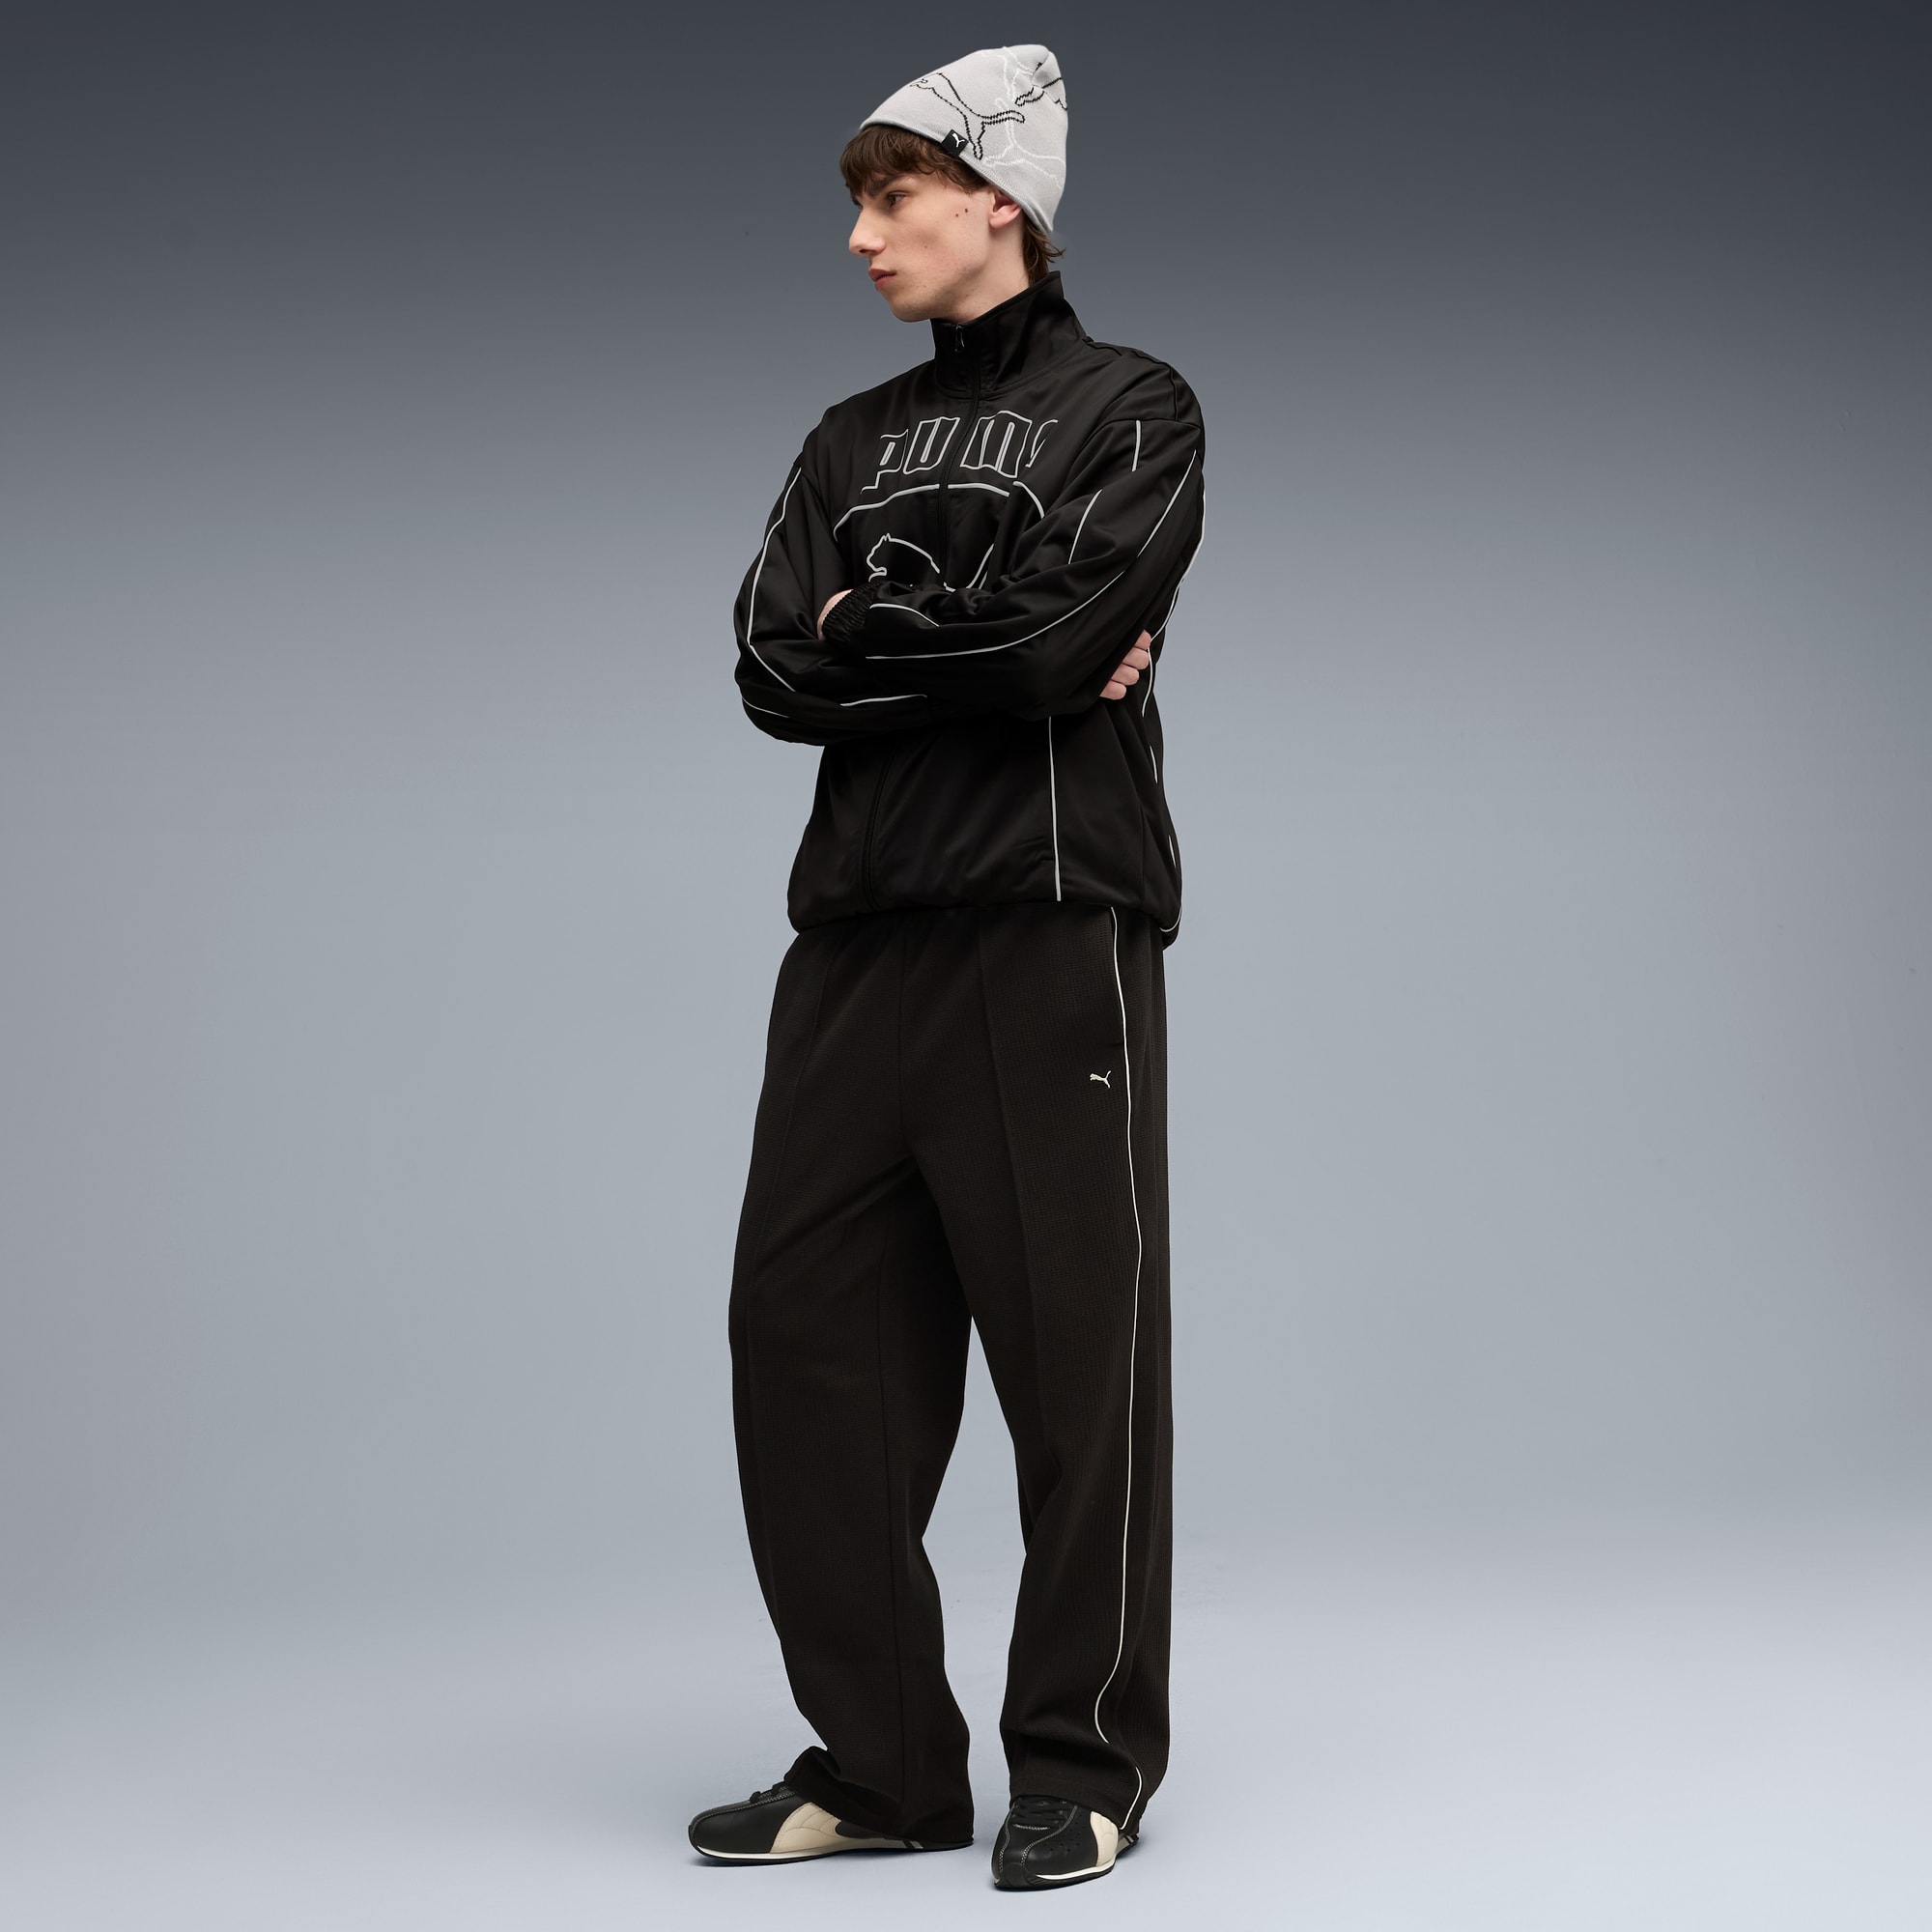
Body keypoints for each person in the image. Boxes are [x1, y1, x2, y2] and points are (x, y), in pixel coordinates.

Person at [688, 43, 1206, 1892]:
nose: (861, 236)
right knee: (801, 1348)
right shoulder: (846, 436)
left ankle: (1085, 1762)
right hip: (857, 939)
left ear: (1002, 199)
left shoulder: (1133, 406)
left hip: (1051, 925)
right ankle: (888, 1767)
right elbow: (769, 666)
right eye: (859, 203)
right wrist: (983, 639)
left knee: (1077, 1367)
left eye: (893, 196)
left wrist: (885, 628)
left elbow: (1063, 646)